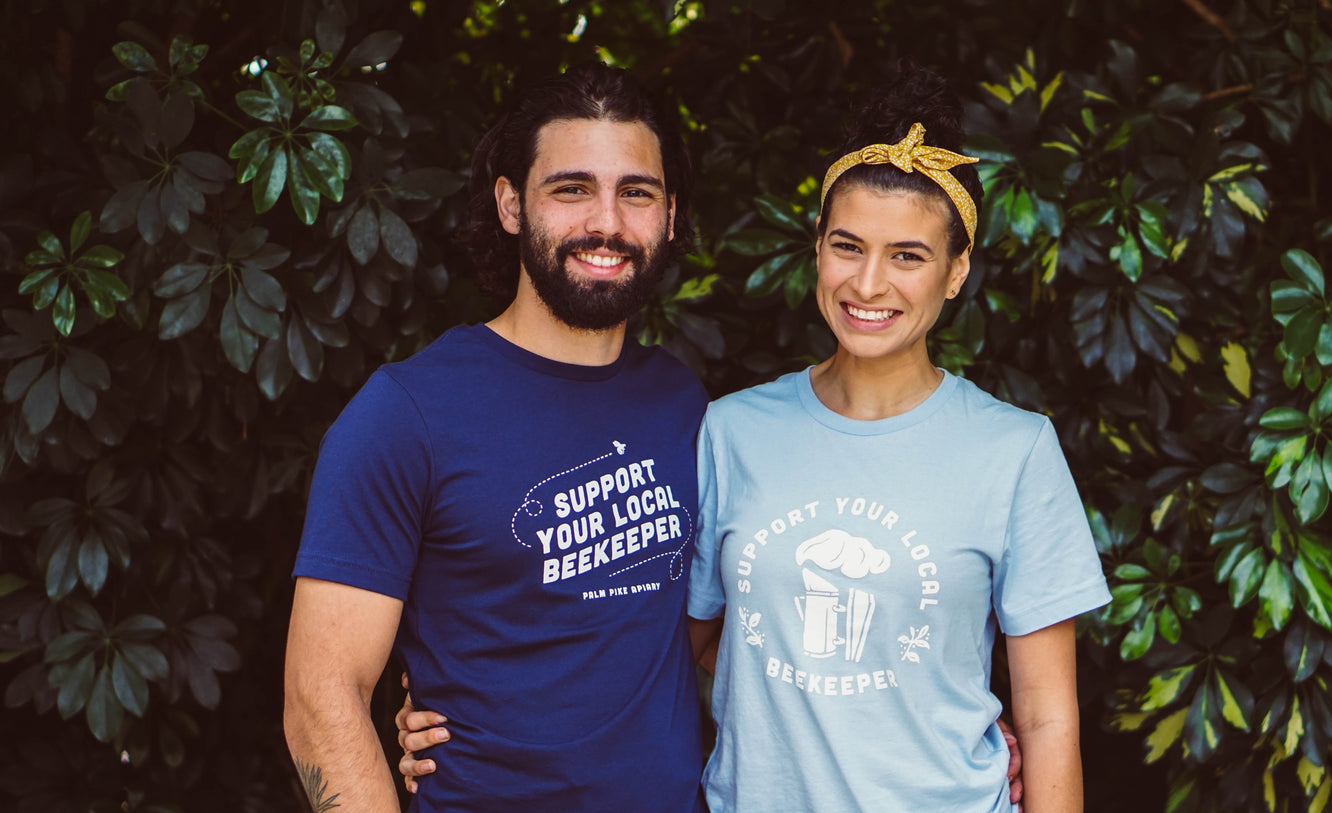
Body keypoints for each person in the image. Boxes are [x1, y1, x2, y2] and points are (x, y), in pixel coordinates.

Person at [397, 68, 1102, 812]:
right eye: (847, 245)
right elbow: (668, 632)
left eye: (908, 255)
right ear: (817, 248)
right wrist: (463, 714)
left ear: (955, 271)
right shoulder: (731, 428)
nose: (868, 284)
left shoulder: (1015, 451)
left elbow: (1049, 715)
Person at [283, 62, 710, 812]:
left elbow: (727, 635)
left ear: (670, 216)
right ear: (511, 203)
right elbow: (321, 697)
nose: (606, 222)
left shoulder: (686, 405)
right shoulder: (406, 413)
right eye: (571, 188)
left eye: (634, 192)